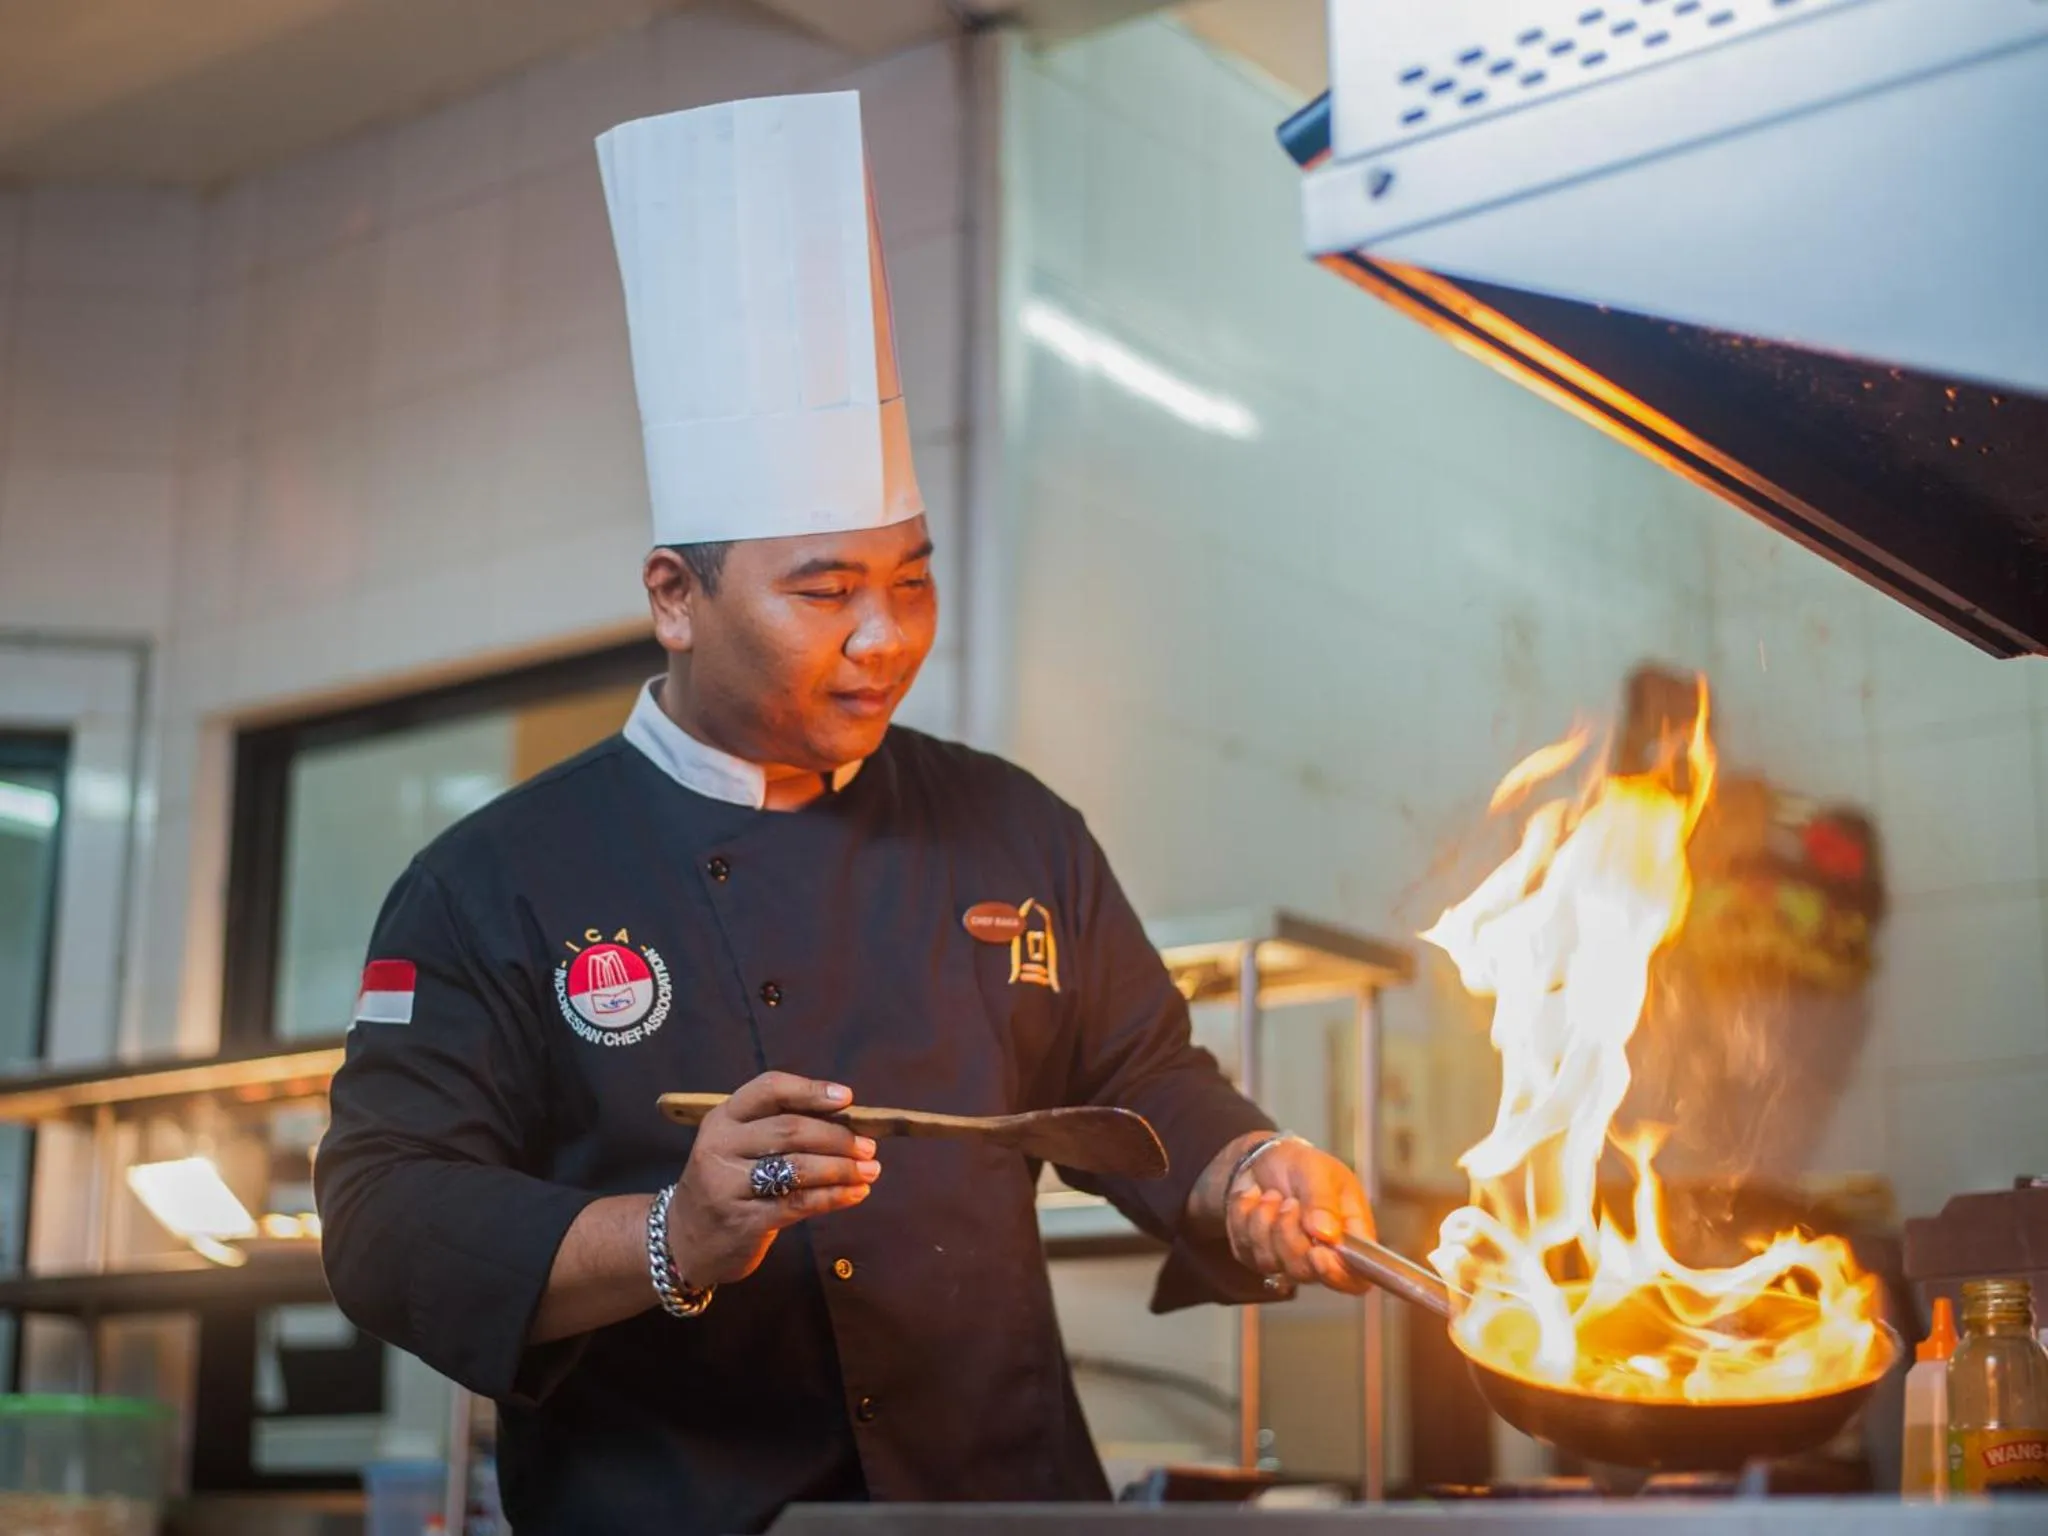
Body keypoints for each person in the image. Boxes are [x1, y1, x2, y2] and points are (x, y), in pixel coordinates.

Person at [315, 92, 1375, 1536]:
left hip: (1003, 1514)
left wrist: (1249, 1166)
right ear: (675, 600)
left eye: (913, 579)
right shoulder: (492, 882)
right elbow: (385, 1221)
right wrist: (672, 1235)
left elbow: (1143, 1077)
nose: (888, 637)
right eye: (826, 591)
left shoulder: (1013, 831)